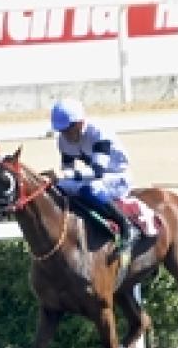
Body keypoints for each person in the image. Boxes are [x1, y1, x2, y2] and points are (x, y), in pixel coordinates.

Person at [49, 97, 141, 262]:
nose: (65, 134)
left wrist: (66, 176)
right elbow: (68, 169)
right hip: (91, 176)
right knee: (57, 188)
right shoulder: (63, 141)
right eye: (62, 130)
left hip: (117, 176)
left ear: (79, 122)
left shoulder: (99, 131)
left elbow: (97, 171)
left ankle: (127, 226)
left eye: (68, 129)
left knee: (90, 188)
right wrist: (57, 180)